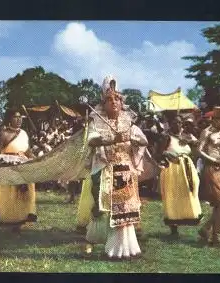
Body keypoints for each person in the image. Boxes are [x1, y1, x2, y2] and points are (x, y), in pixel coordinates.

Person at [82, 75, 148, 260]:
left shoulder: (128, 122)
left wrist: (131, 139)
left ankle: (123, 247)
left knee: (124, 208)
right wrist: (112, 138)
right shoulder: (97, 121)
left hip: (124, 170)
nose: (114, 103)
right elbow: (91, 140)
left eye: (117, 99)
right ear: (103, 103)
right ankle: (92, 239)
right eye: (109, 100)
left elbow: (144, 140)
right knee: (100, 207)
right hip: (104, 169)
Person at [157, 116, 202, 238]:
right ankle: (173, 227)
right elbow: (158, 152)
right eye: (174, 122)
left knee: (188, 192)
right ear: (170, 124)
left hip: (186, 167)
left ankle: (188, 216)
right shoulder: (166, 136)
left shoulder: (186, 135)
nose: (177, 124)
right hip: (173, 167)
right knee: (173, 195)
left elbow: (199, 143)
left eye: (179, 122)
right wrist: (167, 153)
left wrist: (190, 141)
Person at [0, 109, 37, 231]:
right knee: (10, 195)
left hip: (23, 167)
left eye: (20, 117)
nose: (19, 120)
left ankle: (21, 219)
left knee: (22, 195)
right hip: (8, 169)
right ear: (9, 119)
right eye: (16, 117)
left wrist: (37, 159)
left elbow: (28, 151)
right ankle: (8, 221)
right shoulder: (3, 134)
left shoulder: (23, 133)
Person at [197, 106, 220, 247]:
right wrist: (214, 160)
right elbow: (199, 151)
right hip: (211, 169)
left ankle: (206, 229)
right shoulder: (206, 132)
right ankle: (216, 236)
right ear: (215, 119)